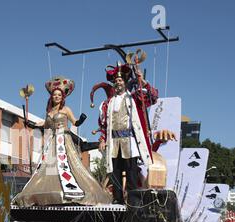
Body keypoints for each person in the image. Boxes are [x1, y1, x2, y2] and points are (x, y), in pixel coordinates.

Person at [13, 76, 112, 207]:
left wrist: (81, 120)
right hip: (53, 141)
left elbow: (75, 121)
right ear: (51, 97)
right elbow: (45, 124)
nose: (57, 97)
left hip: (64, 140)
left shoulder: (66, 109)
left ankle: (75, 192)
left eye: (59, 95)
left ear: (62, 97)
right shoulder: (49, 112)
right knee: (49, 167)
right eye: (55, 95)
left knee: (69, 166)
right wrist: (30, 124)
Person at [93, 63, 159, 204]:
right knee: (115, 172)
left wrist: (143, 81)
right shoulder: (107, 104)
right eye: (116, 81)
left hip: (129, 140)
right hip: (114, 142)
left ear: (125, 82)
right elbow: (104, 125)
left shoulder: (134, 98)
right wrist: (102, 139)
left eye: (120, 80)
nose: (118, 83)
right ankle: (118, 199)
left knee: (131, 172)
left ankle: (134, 200)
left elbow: (153, 97)